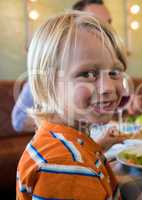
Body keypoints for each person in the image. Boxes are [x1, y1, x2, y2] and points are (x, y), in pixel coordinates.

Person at [17, 11, 128, 199]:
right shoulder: (68, 167)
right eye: (87, 74)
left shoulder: (59, 140)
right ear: (48, 83)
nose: (108, 87)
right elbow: (72, 169)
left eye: (114, 71)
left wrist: (97, 147)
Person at [12, 0, 112, 132]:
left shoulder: (109, 65)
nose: (106, 32)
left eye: (108, 24)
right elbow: (18, 120)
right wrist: (68, 119)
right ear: (75, 25)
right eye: (94, 23)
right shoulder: (50, 69)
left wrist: (125, 102)